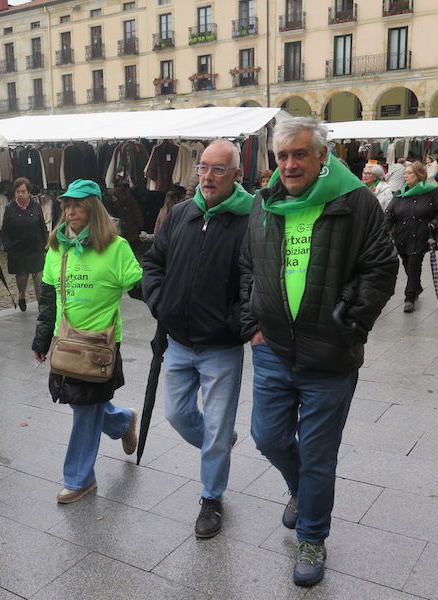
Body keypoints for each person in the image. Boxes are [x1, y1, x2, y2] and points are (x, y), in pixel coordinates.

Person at [238, 117, 398, 587]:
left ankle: (312, 535)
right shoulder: (265, 203)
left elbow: (381, 267)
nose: (289, 164)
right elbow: (248, 265)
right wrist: (252, 323)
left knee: (318, 454)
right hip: (272, 350)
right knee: (267, 436)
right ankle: (301, 490)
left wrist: (351, 323)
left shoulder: (355, 202)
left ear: (321, 157)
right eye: (282, 156)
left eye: (300, 154)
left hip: (329, 355)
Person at [143, 139, 254, 539]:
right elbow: (154, 262)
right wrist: (160, 302)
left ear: (236, 175)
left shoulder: (249, 219)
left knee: (216, 428)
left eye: (218, 169)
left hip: (221, 347)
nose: (207, 176)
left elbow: (253, 282)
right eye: (203, 168)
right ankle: (221, 440)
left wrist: (234, 323)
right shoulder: (181, 214)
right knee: (176, 415)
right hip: (177, 342)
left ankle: (211, 498)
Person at [32, 179, 142, 504]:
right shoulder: (56, 248)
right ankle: (123, 420)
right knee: (87, 404)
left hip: (100, 346)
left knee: (84, 409)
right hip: (66, 343)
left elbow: (140, 287)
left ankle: (80, 479)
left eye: (77, 205)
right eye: (66, 205)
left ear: (93, 209)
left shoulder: (116, 247)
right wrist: (41, 339)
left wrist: (173, 308)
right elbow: (48, 299)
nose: (70, 211)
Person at [386, 161, 438, 313]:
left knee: (414, 265)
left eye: (409, 173)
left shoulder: (432, 192)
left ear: (419, 175)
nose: (405, 176)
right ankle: (417, 286)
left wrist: (435, 223)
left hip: (421, 236)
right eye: (405, 173)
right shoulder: (400, 194)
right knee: (407, 264)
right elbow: (390, 214)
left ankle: (409, 297)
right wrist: (383, 229)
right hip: (401, 237)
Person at [1, 177, 47, 311]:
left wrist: (46, 243)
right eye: (17, 191)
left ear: (29, 193)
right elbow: (5, 230)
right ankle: (21, 295)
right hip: (18, 249)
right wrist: (7, 245)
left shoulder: (36, 206)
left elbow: (42, 226)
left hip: (35, 248)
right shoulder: (10, 208)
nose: (20, 194)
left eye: (23, 191)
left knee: (38, 276)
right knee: (22, 276)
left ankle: (41, 305)